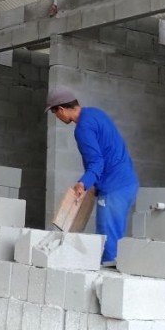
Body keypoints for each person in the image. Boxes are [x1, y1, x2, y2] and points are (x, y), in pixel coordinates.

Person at [46, 86, 139, 265]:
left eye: (55, 113)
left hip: (114, 188)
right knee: (115, 239)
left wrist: (83, 183)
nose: (57, 117)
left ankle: (108, 287)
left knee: (108, 250)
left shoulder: (82, 129)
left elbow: (97, 162)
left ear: (62, 109)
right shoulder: (96, 113)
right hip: (127, 184)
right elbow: (107, 152)